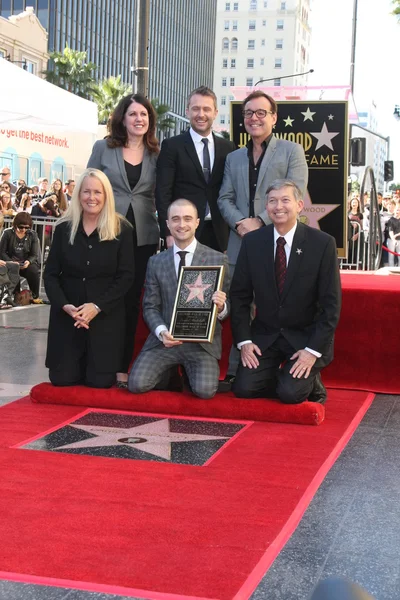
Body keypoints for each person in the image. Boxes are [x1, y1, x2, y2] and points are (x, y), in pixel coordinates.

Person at [217, 90, 309, 389]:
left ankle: (273, 368)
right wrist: (240, 223)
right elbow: (224, 198)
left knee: (270, 304)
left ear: (274, 117)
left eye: (260, 113)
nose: (254, 118)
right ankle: (235, 370)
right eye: (249, 114)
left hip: (277, 241)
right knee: (237, 304)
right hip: (239, 241)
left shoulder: (291, 151)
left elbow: (295, 193)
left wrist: (261, 221)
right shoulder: (233, 157)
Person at [230, 179, 341, 405]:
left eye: (285, 200)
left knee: (290, 394)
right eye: (272, 201)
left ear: (300, 205)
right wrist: (244, 342)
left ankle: (306, 380)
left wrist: (311, 351)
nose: (278, 206)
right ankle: (285, 379)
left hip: (305, 337)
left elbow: (331, 306)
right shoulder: (253, 242)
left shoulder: (322, 243)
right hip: (266, 336)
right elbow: (240, 296)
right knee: (243, 388)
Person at [87, 93, 160, 387]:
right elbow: (88, 185)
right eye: (133, 114)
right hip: (107, 232)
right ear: (123, 118)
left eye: (144, 114)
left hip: (143, 236)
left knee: (130, 302)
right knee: (104, 296)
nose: (139, 119)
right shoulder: (103, 147)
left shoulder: (157, 152)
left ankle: (121, 366)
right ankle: (95, 361)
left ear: (150, 120)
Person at [128, 199, 229, 399]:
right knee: (137, 384)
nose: (181, 224)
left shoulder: (218, 259)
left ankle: (183, 374)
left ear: (198, 222)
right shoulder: (156, 262)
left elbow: (228, 309)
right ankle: (170, 372)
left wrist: (222, 307)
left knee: (205, 391)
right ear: (167, 224)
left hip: (201, 344)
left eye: (187, 219)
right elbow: (149, 306)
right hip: (165, 341)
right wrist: (161, 332)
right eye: (175, 219)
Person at [44, 168, 135, 388]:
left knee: (99, 383)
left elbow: (126, 276)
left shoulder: (121, 229)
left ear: (106, 196)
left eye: (97, 192)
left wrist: (96, 306)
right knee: (61, 380)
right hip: (68, 317)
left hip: (104, 316)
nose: (91, 198)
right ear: (78, 195)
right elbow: (51, 275)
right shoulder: (64, 228)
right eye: (86, 192)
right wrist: (65, 306)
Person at [155, 86, 235, 253]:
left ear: (215, 112)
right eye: (196, 109)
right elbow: (163, 192)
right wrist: (168, 232)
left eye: (206, 109)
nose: (201, 114)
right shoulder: (172, 146)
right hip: (183, 231)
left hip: (219, 233)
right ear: (187, 111)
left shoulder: (228, 147)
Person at [0, 212, 43, 304]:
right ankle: (15, 295)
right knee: (13, 269)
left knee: (34, 271)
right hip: (10, 262)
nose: (24, 230)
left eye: (27, 227)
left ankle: (35, 295)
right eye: (21, 227)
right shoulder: (7, 233)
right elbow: (2, 252)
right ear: (15, 225)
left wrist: (28, 261)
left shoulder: (32, 235)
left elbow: (34, 254)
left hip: (25, 262)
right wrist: (11, 262)